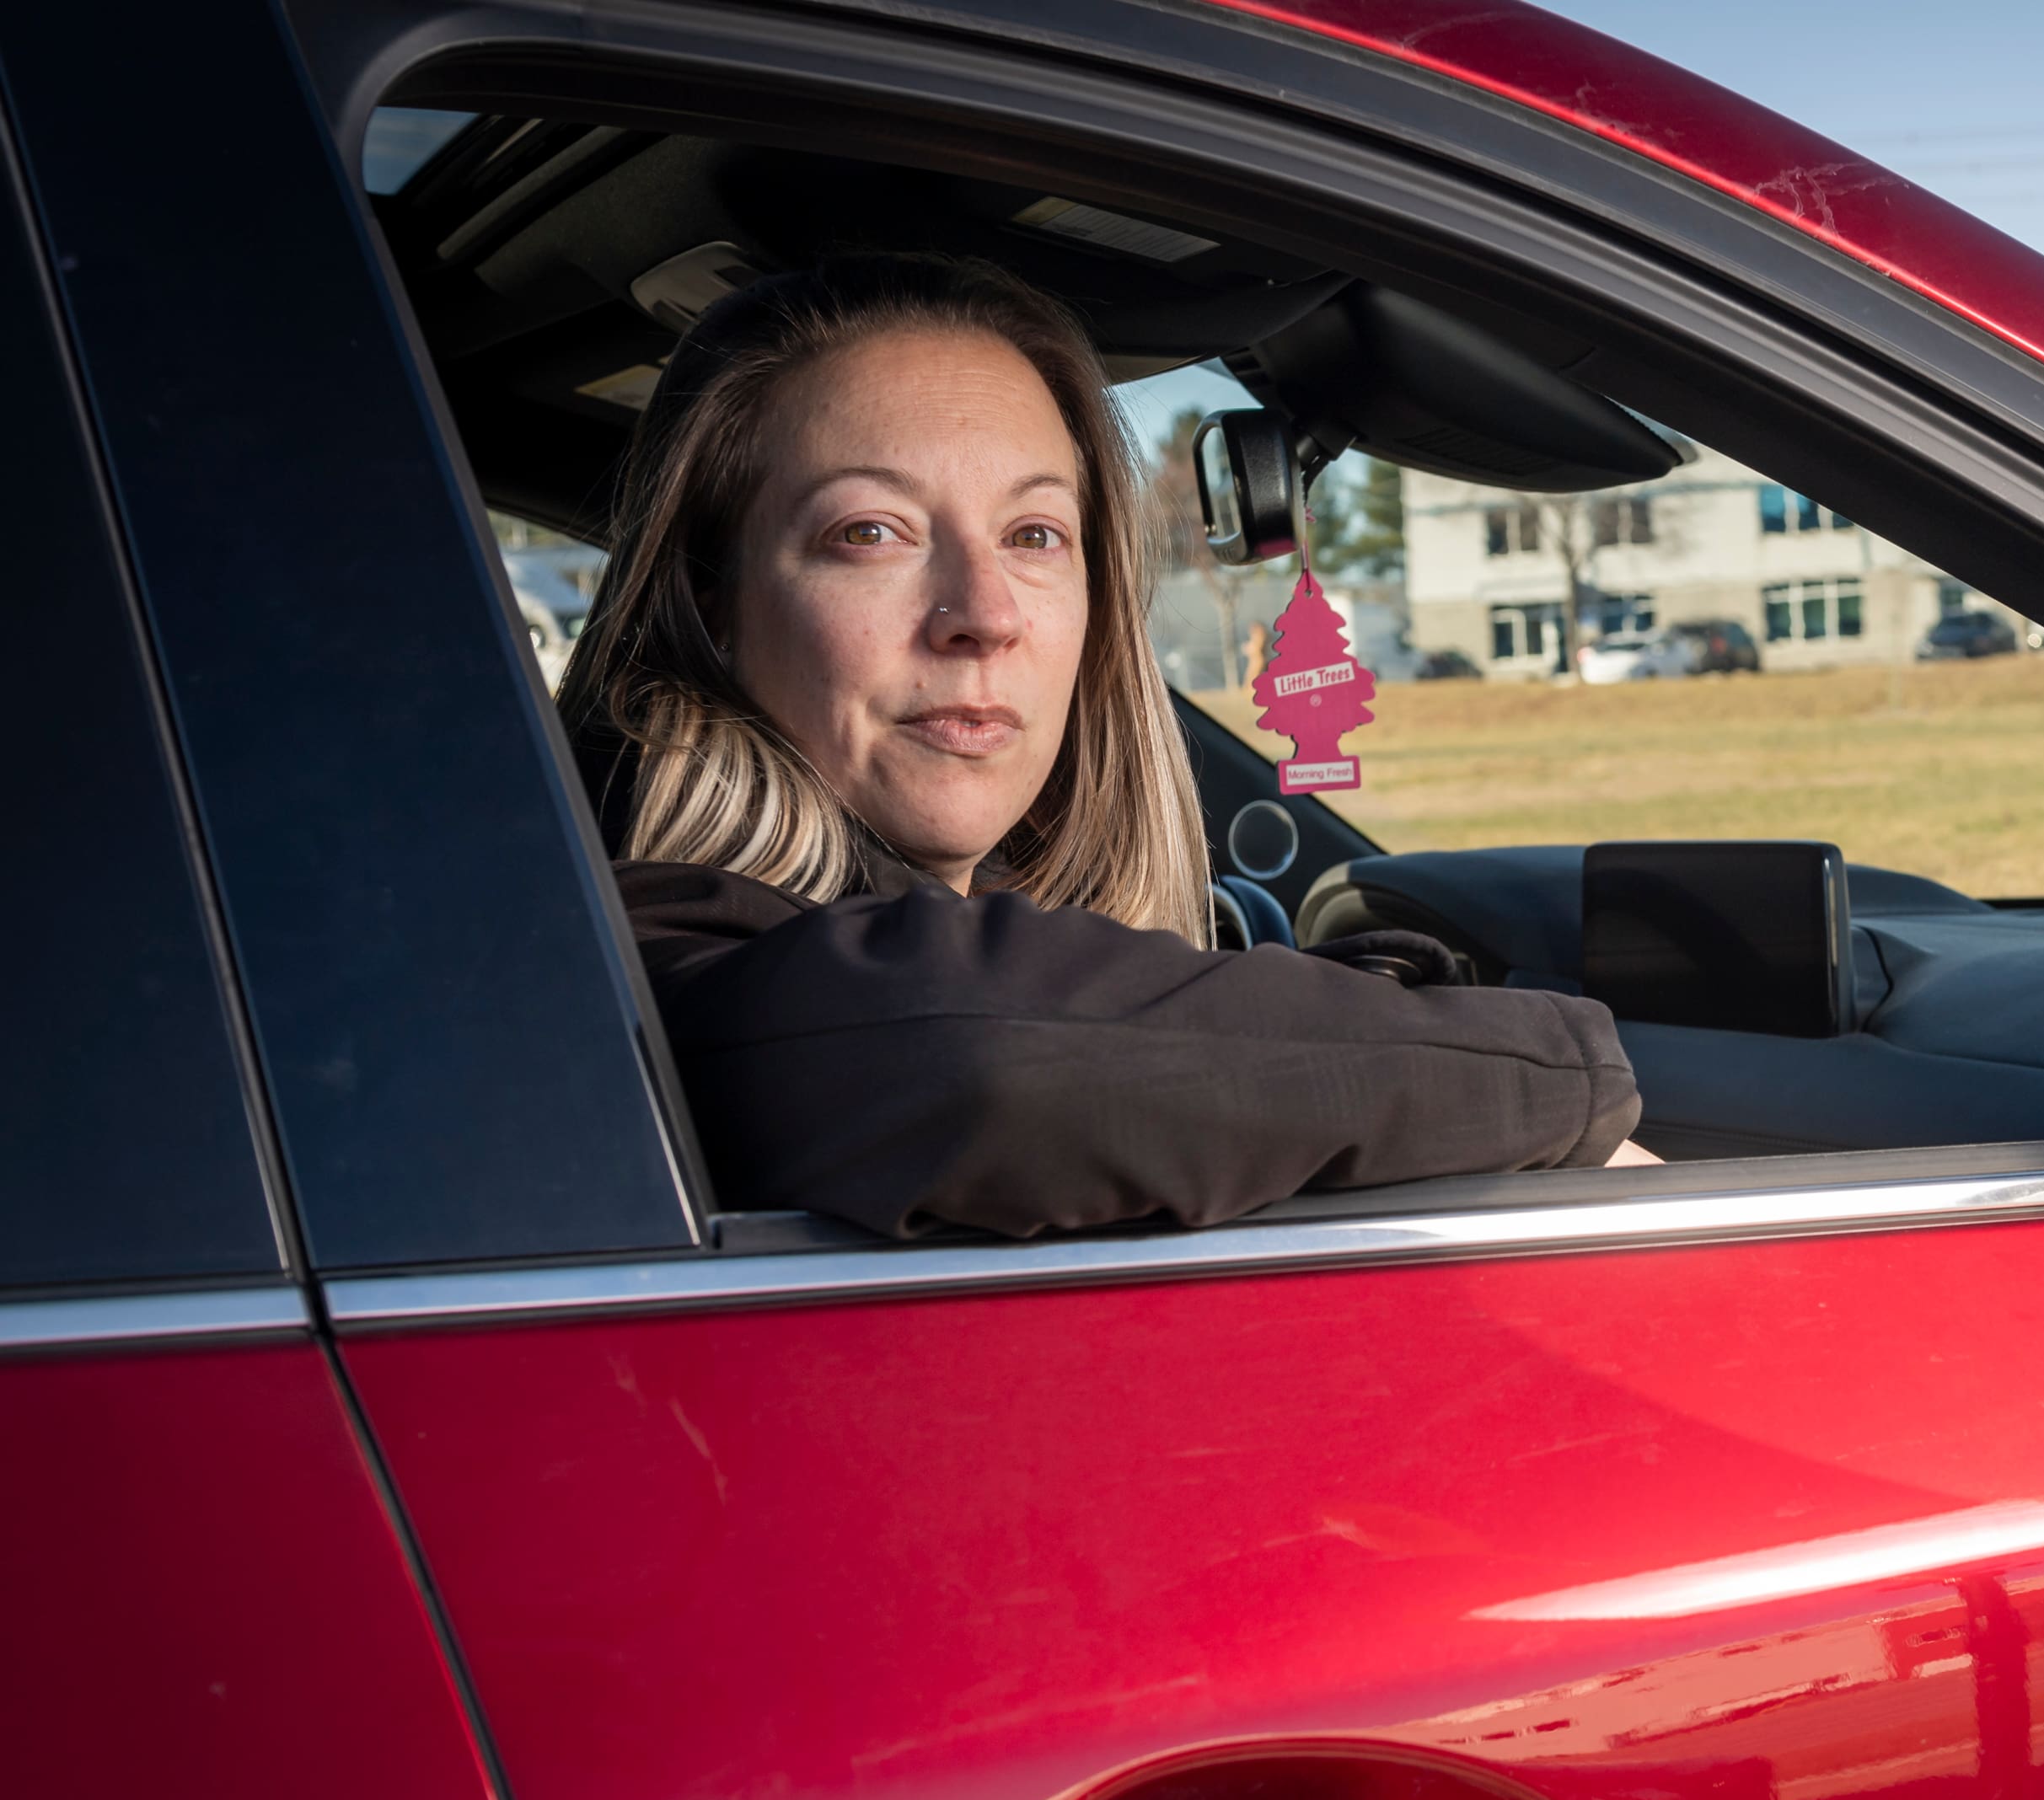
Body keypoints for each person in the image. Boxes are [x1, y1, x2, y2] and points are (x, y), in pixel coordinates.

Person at [556, 254, 1647, 1236]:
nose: (983, 611)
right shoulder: (639, 939)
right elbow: (977, 1048)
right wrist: (1573, 1088)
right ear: (712, 605)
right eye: (869, 531)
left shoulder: (964, 917)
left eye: (1035, 535)